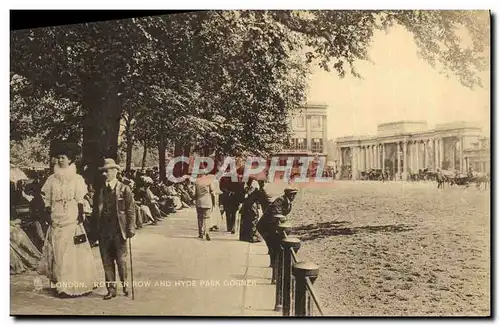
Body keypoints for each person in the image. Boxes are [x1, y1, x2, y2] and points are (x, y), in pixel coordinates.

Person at [38, 142, 99, 298]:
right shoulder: (52, 179)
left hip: (71, 217)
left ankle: (70, 285)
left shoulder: (77, 179)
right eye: (58, 157)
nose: (59, 161)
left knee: (71, 250)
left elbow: (80, 199)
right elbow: (47, 198)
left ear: (71, 159)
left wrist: (80, 214)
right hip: (56, 216)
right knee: (58, 250)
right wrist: (47, 210)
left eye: (63, 158)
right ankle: (60, 282)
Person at [92, 158, 136, 300]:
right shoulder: (100, 191)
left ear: (116, 171)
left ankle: (125, 285)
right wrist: (95, 230)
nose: (106, 173)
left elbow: (130, 210)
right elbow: (95, 212)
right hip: (103, 231)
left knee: (121, 260)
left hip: (119, 230)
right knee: (107, 260)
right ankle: (111, 289)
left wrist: (131, 228)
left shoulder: (124, 189)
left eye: (109, 170)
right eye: (104, 171)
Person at [256, 186, 298, 268]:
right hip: (265, 226)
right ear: (288, 195)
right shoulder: (280, 200)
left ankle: (274, 265)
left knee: (274, 246)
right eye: (292, 195)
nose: (293, 197)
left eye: (294, 195)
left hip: (272, 226)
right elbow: (276, 213)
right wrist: (282, 219)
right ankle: (274, 266)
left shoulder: (287, 202)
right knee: (273, 245)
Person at [194, 170, 215, 241]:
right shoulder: (209, 181)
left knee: (200, 218)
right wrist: (214, 202)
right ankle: (207, 232)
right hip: (207, 201)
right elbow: (212, 191)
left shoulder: (197, 181)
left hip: (199, 201)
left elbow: (195, 193)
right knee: (207, 218)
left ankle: (200, 233)